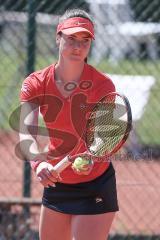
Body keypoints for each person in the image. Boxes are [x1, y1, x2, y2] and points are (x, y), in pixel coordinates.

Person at [19, 8, 119, 240]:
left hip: (96, 182)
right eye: (71, 38)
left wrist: (93, 158)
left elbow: (104, 138)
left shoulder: (103, 85)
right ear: (58, 38)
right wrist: (39, 164)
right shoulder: (35, 83)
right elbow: (26, 134)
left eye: (85, 41)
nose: (78, 46)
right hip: (57, 181)